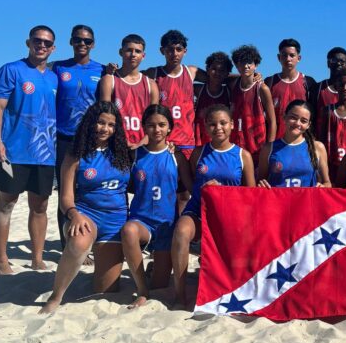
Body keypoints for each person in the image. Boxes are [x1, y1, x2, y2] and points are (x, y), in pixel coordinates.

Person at [39, 102, 132, 314]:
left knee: (105, 290)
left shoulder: (124, 152)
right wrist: (74, 215)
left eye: (110, 125)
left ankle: (96, 269)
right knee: (80, 242)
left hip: (116, 222)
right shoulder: (75, 154)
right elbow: (65, 198)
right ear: (90, 123)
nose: (104, 128)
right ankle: (56, 296)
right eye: (100, 122)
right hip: (86, 214)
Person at [171, 104, 256, 307]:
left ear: (232, 125)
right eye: (212, 124)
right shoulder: (199, 153)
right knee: (181, 232)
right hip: (199, 211)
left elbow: (251, 195)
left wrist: (222, 193)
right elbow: (192, 183)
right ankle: (180, 294)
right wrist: (204, 191)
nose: (218, 127)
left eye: (223, 123)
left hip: (230, 216)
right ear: (206, 127)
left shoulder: (243, 156)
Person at [0, 25, 58, 274]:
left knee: (39, 207)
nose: (42, 46)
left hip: (45, 154)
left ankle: (37, 259)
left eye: (47, 43)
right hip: (14, 152)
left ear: (53, 48)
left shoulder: (54, 78)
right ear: (28, 43)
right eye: (37, 41)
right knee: (6, 204)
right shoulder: (12, 70)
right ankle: (1, 260)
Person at [120, 105, 192, 309]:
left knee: (160, 283)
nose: (156, 130)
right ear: (143, 127)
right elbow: (122, 185)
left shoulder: (176, 156)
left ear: (170, 127)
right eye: (151, 125)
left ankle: (153, 269)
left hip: (167, 226)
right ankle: (142, 291)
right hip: (141, 220)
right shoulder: (135, 155)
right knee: (128, 231)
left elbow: (190, 188)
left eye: (162, 125)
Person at [53, 25, 105, 248]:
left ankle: (90, 240)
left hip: (92, 139)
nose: (82, 44)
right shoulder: (58, 68)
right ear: (71, 42)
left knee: (90, 189)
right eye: (77, 40)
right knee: (67, 190)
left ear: (93, 44)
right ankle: (68, 244)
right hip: (64, 137)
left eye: (86, 41)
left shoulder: (102, 70)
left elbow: (105, 105)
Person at [145, 30, 205, 160]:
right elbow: (129, 77)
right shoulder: (154, 73)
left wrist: (249, 77)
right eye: (170, 50)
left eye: (179, 49)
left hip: (187, 143)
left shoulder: (191, 72)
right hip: (163, 142)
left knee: (186, 180)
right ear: (162, 51)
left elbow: (219, 77)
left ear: (185, 51)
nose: (175, 54)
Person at [99, 34, 160, 149]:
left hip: (144, 146)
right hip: (114, 145)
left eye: (137, 51)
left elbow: (154, 119)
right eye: (129, 50)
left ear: (143, 55)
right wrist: (120, 141)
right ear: (121, 52)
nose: (133, 55)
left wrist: (141, 143)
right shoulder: (109, 80)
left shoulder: (151, 84)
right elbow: (104, 117)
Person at [258, 100, 331, 188]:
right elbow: (260, 181)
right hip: (278, 201)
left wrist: (323, 187)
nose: (297, 123)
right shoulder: (268, 148)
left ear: (308, 125)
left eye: (303, 121)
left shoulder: (318, 148)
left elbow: (327, 183)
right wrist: (262, 184)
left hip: (306, 201)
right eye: (293, 118)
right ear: (284, 117)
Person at [229, 44, 276, 163]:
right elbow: (221, 76)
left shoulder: (262, 89)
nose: (246, 66)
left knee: (254, 181)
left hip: (257, 146)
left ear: (256, 65)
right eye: (241, 63)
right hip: (235, 146)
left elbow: (272, 121)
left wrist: (269, 148)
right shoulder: (233, 85)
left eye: (249, 62)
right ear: (236, 65)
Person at [268, 38, 318, 138]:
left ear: (299, 58)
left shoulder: (308, 82)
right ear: (279, 57)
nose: (288, 59)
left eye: (292, 55)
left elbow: (314, 114)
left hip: (302, 141)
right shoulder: (269, 82)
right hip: (277, 141)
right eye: (284, 55)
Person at [194, 52, 233, 145]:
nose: (217, 73)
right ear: (207, 70)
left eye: (222, 70)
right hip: (200, 141)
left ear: (227, 73)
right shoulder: (198, 89)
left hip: (221, 141)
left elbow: (243, 78)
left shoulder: (229, 91)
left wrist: (254, 75)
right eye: (214, 69)